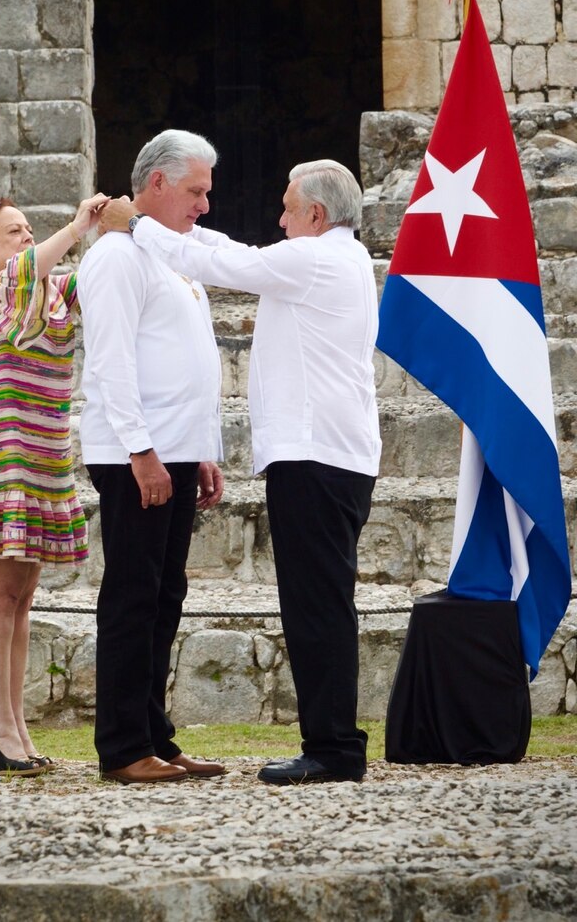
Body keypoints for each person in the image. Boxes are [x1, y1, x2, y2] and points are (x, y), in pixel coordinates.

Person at [100, 160, 381, 785]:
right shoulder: (339, 257)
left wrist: (138, 223)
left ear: (315, 214)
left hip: (316, 457)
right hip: (331, 456)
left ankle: (333, 750)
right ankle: (332, 743)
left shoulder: (316, 260)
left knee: (316, 606)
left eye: (286, 209)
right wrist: (165, 229)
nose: (278, 221)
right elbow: (235, 252)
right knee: (319, 601)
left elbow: (227, 265)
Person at [78, 130, 227, 784]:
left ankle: (156, 738)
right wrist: (140, 450)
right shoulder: (116, 256)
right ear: (158, 183)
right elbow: (110, 362)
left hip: (176, 452)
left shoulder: (175, 256)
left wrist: (203, 451)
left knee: (166, 595)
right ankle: (121, 746)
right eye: (195, 191)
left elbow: (193, 361)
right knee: (134, 597)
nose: (203, 205)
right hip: (134, 455)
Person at [0, 192, 107, 775]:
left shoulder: (53, 292)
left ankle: (14, 727)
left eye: (26, 228)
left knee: (21, 597)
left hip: (42, 458)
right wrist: (75, 226)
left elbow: (95, 279)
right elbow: (24, 270)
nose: (24, 237)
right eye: (11, 231)